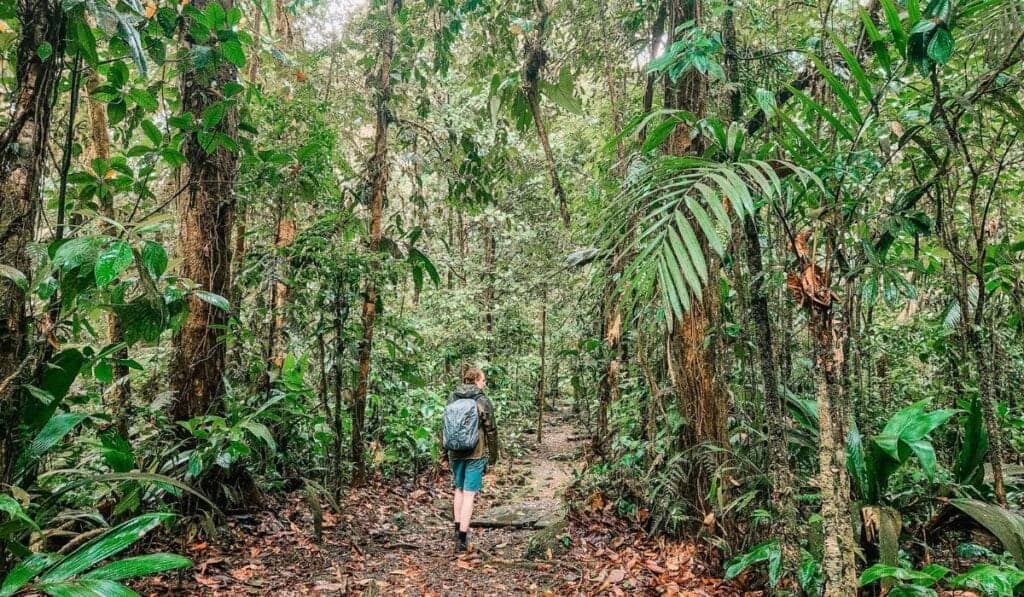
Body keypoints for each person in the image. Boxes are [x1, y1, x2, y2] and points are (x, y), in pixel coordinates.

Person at [442, 366, 498, 553]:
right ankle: (462, 539)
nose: (484, 383)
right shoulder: (481, 400)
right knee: (469, 494)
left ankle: (457, 529)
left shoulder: (453, 397)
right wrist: (493, 458)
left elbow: (445, 426)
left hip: (455, 452)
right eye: (483, 380)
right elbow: (491, 430)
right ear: (475, 381)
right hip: (476, 452)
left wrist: (444, 453)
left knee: (458, 490)